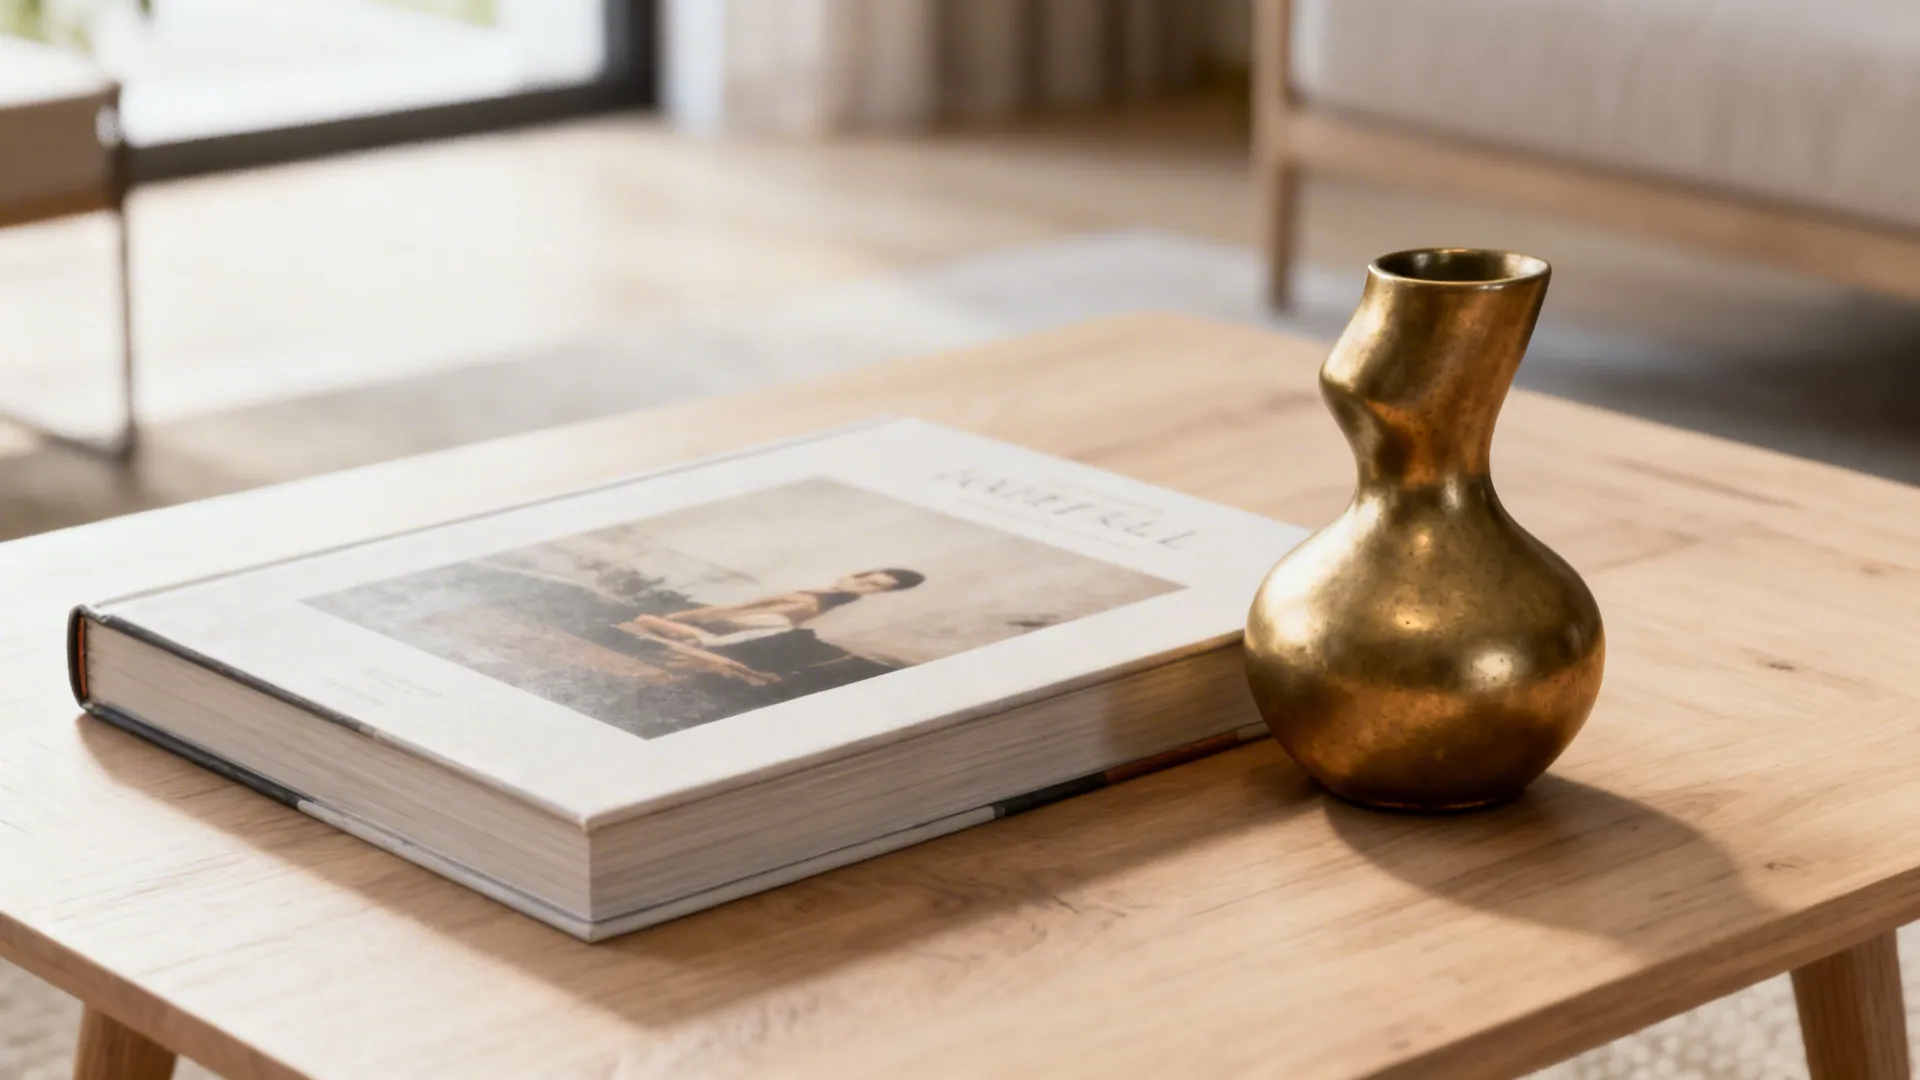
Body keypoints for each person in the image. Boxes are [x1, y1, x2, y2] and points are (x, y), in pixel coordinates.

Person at [616, 568, 925, 685]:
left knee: (644, 623)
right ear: (856, 574)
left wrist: (686, 616)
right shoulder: (820, 600)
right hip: (740, 634)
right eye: (867, 581)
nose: (866, 589)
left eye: (877, 589)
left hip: (738, 634)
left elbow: (739, 611)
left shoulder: (810, 601)